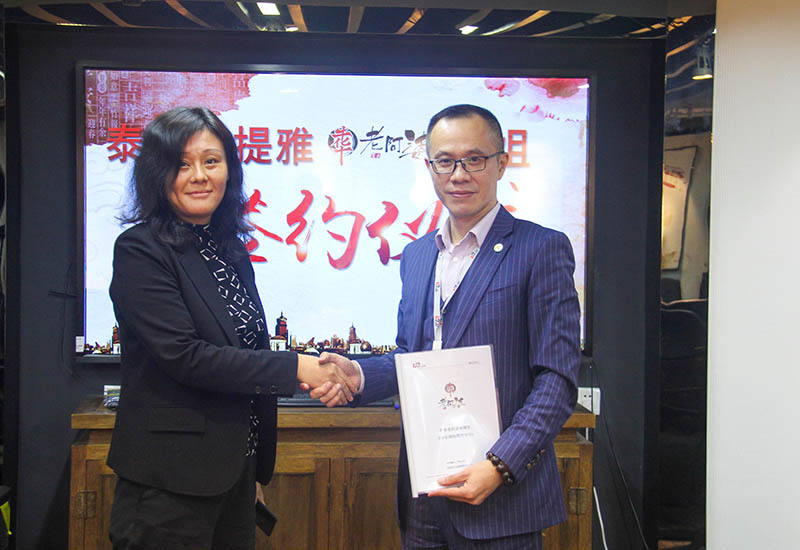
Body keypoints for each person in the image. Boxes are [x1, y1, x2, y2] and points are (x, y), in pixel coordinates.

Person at [314, 104, 581, 549]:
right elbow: (414, 357)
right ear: (429, 167)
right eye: (445, 161)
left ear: (501, 163)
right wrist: (358, 374)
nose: (459, 175)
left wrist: (499, 465)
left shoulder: (541, 248)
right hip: (425, 496)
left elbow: (557, 379)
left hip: (502, 500)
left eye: (474, 159)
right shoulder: (418, 255)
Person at [106, 106, 354, 550]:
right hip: (169, 483)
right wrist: (296, 367)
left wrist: (250, 470)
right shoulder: (140, 250)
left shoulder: (231, 250)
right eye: (182, 164)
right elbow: (186, 357)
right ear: (157, 174)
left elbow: (247, 350)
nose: (199, 176)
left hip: (234, 476)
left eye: (211, 161)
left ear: (229, 170)